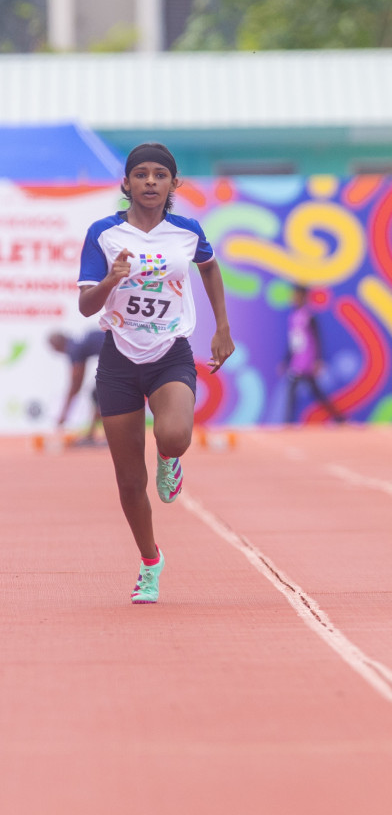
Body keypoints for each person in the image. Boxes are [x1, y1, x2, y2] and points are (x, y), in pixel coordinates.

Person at [77, 142, 235, 604]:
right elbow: (86, 307)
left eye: (159, 175)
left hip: (170, 352)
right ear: (126, 183)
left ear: (172, 183)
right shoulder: (103, 234)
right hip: (119, 360)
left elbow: (209, 268)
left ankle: (170, 459)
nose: (150, 182)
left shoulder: (187, 232)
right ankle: (150, 562)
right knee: (129, 481)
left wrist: (222, 326)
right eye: (141, 174)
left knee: (175, 434)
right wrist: (110, 280)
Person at [283, 285, 344, 424]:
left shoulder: (308, 316)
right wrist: (286, 360)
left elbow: (318, 338)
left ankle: (287, 422)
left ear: (303, 297)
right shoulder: (293, 317)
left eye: (296, 295)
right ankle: (339, 418)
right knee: (310, 392)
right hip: (297, 361)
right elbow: (293, 342)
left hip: (307, 360)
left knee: (299, 391)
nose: (293, 298)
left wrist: (318, 360)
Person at [48, 328, 107, 443]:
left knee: (101, 395)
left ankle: (103, 436)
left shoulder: (73, 349)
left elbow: (75, 385)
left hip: (119, 359)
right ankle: (91, 434)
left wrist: (63, 415)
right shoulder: (80, 343)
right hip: (123, 355)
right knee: (99, 395)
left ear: (57, 346)